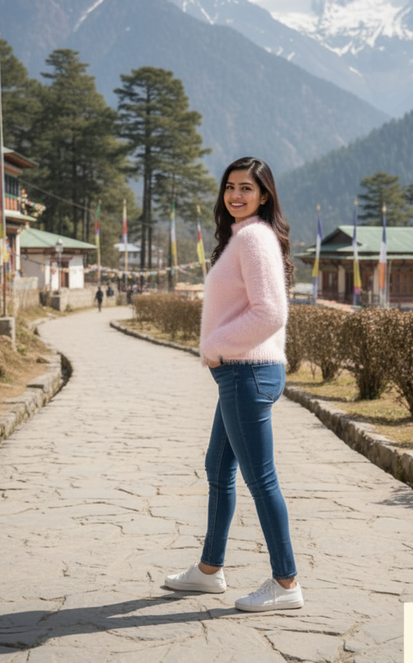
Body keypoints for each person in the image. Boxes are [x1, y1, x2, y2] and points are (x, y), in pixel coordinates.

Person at [165, 156, 303, 613]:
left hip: (247, 372)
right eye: (230, 187)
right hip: (240, 372)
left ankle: (285, 583)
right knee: (218, 466)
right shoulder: (242, 237)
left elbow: (270, 313)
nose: (236, 194)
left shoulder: (255, 238)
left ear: (264, 195)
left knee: (260, 480)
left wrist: (217, 343)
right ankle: (209, 571)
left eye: (247, 187)